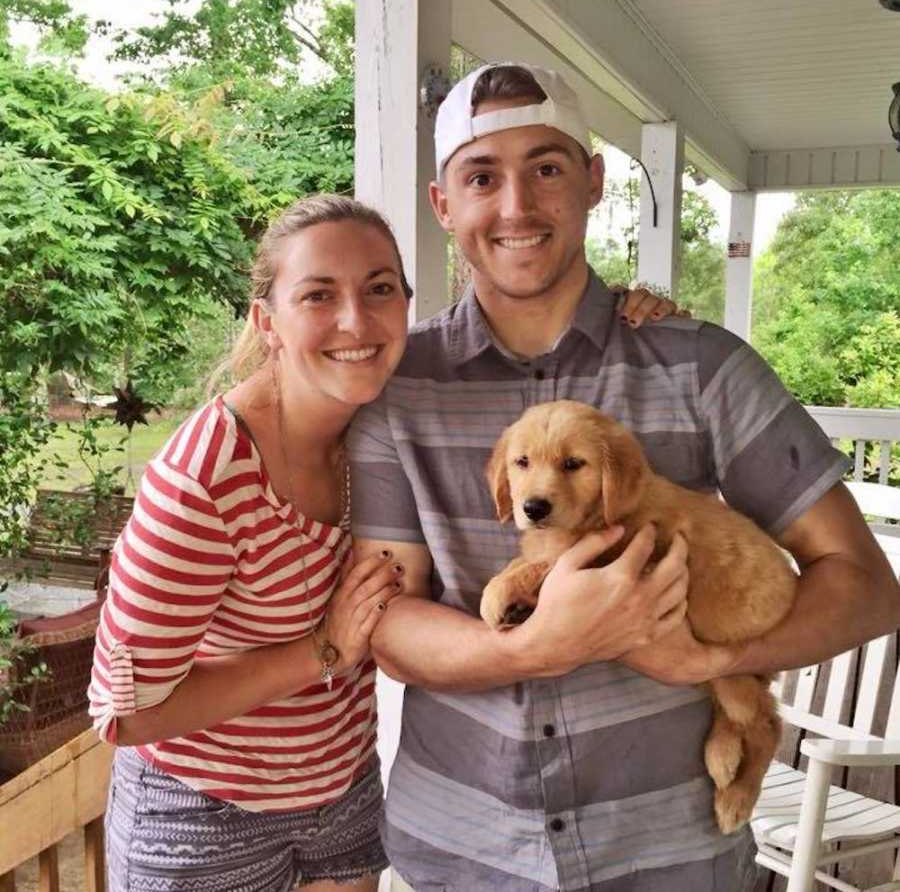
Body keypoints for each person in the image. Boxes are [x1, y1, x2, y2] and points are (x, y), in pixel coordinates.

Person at [347, 63, 900, 892]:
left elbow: (864, 586)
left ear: (594, 180)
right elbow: (386, 619)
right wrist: (538, 646)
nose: (516, 206)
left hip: (670, 851)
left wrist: (704, 659)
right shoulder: (399, 388)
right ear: (443, 205)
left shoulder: (703, 367)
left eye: (547, 167)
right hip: (465, 850)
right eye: (481, 177)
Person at [87, 192, 673, 892]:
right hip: (206, 817)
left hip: (343, 797)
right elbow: (126, 715)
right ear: (265, 322)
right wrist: (322, 650)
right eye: (317, 295)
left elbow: (520, 338)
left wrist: (627, 311)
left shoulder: (379, 424)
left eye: (380, 290)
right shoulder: (203, 483)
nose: (355, 321)